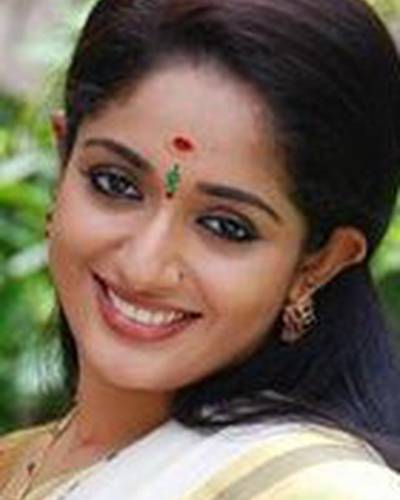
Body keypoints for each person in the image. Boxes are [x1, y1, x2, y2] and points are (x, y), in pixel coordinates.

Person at [2, 0, 400, 498]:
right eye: (115, 183)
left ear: (318, 263)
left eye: (225, 226)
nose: (145, 267)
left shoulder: (313, 488)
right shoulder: (14, 461)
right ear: (64, 160)